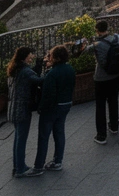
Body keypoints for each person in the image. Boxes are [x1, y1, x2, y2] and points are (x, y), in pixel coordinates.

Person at [32, 44, 76, 173]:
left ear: (55, 58)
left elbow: (48, 94)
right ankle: (58, 161)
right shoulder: (70, 69)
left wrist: (41, 108)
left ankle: (39, 165)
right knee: (59, 133)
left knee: (44, 136)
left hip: (52, 108)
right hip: (66, 104)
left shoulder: (52, 74)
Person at [7, 46, 44, 177]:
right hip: (22, 110)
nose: (32, 56)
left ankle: (17, 166)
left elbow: (31, 77)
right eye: (30, 55)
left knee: (17, 139)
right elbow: (39, 80)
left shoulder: (16, 68)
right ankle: (20, 169)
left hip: (13, 109)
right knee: (21, 140)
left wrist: (38, 66)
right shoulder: (25, 71)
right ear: (25, 57)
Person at [91, 19, 119, 144]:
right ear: (107, 28)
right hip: (116, 75)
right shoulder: (117, 39)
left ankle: (101, 135)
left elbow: (82, 51)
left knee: (100, 106)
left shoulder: (97, 45)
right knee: (113, 101)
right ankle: (114, 126)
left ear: (97, 30)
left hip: (101, 78)